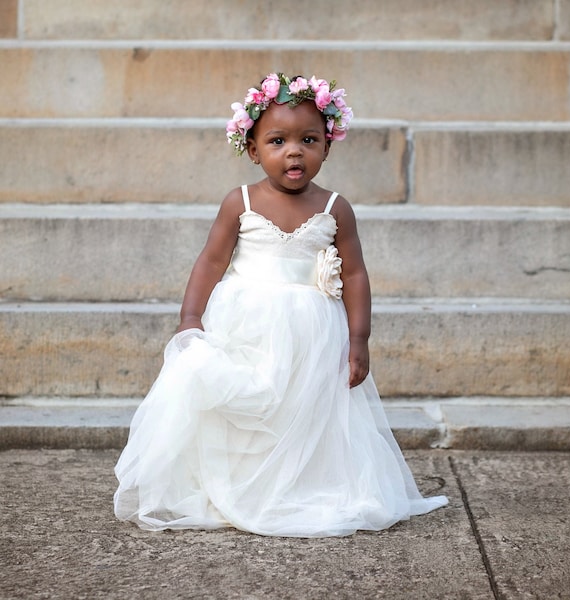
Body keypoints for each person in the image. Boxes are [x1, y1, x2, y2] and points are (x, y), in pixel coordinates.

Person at [114, 73, 448, 537]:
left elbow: (354, 273)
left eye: (309, 140)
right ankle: (240, 482)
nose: (294, 151)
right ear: (253, 150)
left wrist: (359, 338)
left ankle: (297, 483)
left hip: (312, 328)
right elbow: (211, 262)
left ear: (327, 147)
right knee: (247, 402)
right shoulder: (241, 201)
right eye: (278, 140)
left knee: (303, 407)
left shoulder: (335, 207)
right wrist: (191, 318)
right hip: (244, 321)